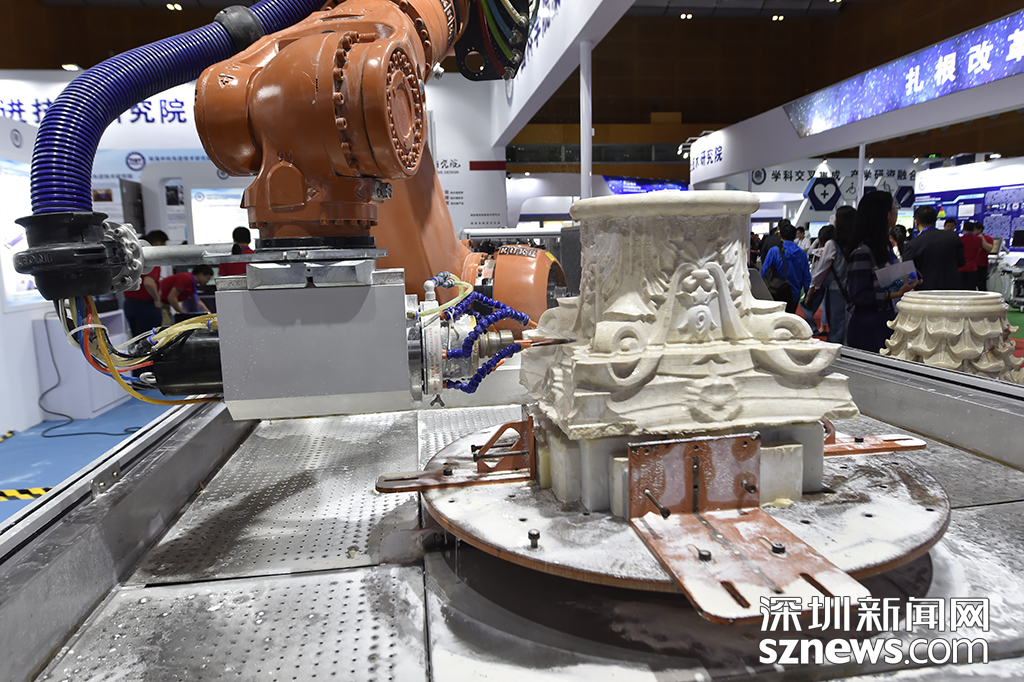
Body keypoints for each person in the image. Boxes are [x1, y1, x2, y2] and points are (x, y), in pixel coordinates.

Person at [845, 191, 918, 352]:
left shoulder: (884, 247)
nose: (897, 212)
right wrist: (894, 294)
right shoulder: (863, 252)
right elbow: (858, 295)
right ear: (885, 214)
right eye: (895, 207)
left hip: (885, 317)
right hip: (869, 324)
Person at [804, 207, 854, 344]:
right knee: (850, 328)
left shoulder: (832, 244)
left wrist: (811, 291)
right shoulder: (857, 243)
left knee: (837, 328)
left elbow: (821, 271)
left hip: (837, 290)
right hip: (855, 289)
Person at [901, 206, 965, 291]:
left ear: (916, 222)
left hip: (926, 290)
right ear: (935, 220)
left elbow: (908, 272)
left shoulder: (912, 244)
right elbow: (961, 262)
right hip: (952, 288)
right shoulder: (953, 237)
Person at [122, 230, 168, 338]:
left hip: (130, 304)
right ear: (157, 244)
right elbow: (149, 283)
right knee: (151, 340)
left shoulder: (133, 258)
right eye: (164, 245)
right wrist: (157, 299)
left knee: (138, 340)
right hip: (146, 307)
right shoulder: (151, 260)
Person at [761, 221, 811, 315]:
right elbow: (806, 277)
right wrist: (807, 294)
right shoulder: (802, 254)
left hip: (776, 291)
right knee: (790, 317)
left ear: (780, 236)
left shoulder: (774, 252)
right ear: (795, 236)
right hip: (794, 294)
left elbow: (764, 272)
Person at [959, 220, 983, 290]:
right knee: (971, 288)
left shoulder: (960, 239)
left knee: (960, 289)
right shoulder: (979, 239)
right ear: (973, 229)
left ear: (963, 229)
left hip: (961, 268)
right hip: (973, 268)